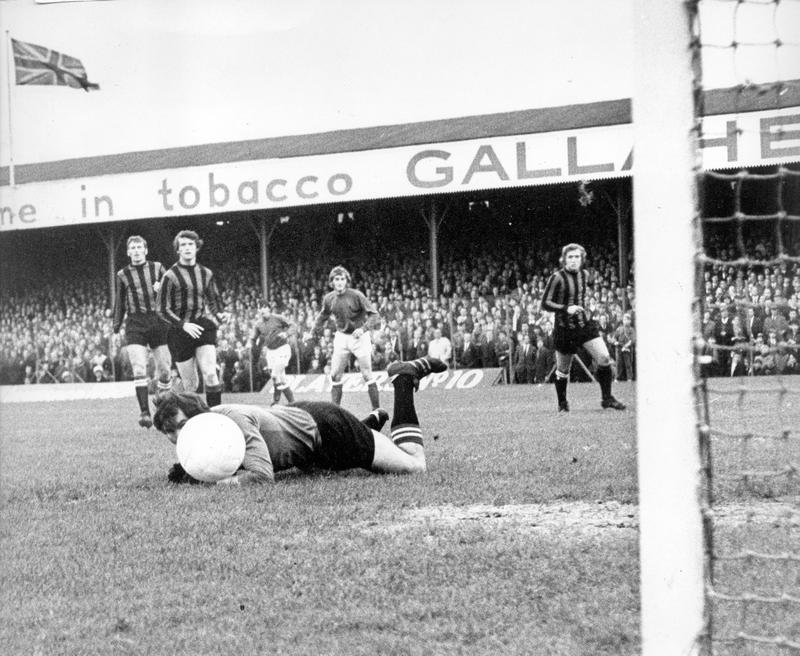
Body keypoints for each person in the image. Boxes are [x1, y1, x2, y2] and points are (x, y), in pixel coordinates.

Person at [153, 355, 448, 485]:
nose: (179, 436)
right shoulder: (210, 433)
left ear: (197, 415)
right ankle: (368, 424)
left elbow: (261, 476)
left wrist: (215, 483)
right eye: (169, 432)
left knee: (414, 464)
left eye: (180, 425)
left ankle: (403, 378)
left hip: (327, 429)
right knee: (324, 468)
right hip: (307, 433)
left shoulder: (232, 423)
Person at [541, 243, 626, 412]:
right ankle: (563, 404)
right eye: (570, 257)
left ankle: (607, 398)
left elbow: (581, 294)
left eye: (577, 257)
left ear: (582, 259)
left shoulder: (585, 275)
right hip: (564, 329)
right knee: (563, 369)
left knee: (603, 357)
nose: (573, 260)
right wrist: (566, 308)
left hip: (584, 326)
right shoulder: (557, 277)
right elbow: (545, 303)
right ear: (564, 259)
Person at [156, 230, 228, 408]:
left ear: (197, 247)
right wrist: (182, 325)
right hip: (179, 331)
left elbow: (213, 300)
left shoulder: (206, 273)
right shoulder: (170, 276)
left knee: (211, 374)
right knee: (191, 385)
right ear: (178, 250)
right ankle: (191, 422)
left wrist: (220, 314)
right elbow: (161, 309)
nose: (187, 248)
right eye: (183, 245)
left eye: (190, 244)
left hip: (202, 326)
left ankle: (215, 419)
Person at [111, 235, 173, 428]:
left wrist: (162, 289)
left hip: (158, 321)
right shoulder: (122, 274)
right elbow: (119, 302)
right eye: (133, 248)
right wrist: (115, 327)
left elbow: (172, 292)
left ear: (145, 250)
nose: (136, 251)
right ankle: (145, 413)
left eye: (139, 247)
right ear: (128, 252)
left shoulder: (158, 268)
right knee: (139, 367)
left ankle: (161, 412)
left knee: (164, 371)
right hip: (135, 323)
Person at [313, 265, 381, 409]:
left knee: (367, 374)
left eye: (342, 279)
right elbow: (323, 316)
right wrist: (313, 331)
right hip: (342, 337)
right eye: (336, 279)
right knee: (335, 375)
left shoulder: (357, 295)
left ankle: (377, 410)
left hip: (360, 338)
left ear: (346, 281)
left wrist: (363, 329)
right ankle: (335, 411)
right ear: (332, 282)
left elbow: (374, 315)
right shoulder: (329, 298)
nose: (339, 282)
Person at [251, 304, 297, 406]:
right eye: (259, 308)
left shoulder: (278, 318)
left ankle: (276, 401)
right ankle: (292, 401)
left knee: (275, 374)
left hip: (282, 349)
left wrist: (287, 333)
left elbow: (293, 325)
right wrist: (252, 342)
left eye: (263, 307)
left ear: (268, 308)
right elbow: (254, 337)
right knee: (280, 378)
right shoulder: (258, 324)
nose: (261, 310)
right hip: (271, 352)